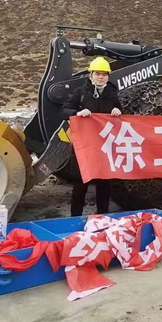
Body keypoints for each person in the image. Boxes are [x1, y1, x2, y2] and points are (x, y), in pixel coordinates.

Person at [61, 56, 122, 216]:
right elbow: (64, 111)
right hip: (85, 147)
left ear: (108, 76)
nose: (101, 77)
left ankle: (102, 217)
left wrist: (118, 112)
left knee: (104, 185)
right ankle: (75, 218)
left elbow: (122, 116)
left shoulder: (112, 93)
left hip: (105, 147)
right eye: (97, 74)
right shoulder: (80, 93)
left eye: (104, 74)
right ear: (90, 75)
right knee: (81, 184)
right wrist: (77, 113)